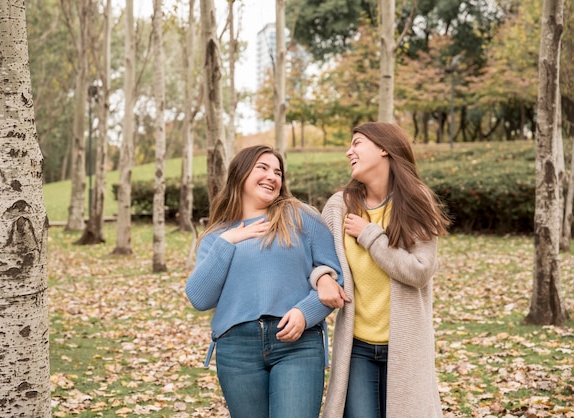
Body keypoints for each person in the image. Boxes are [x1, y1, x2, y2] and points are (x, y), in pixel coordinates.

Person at [185, 145, 343, 418]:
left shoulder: (300, 216)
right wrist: (229, 240)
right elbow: (200, 298)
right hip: (236, 349)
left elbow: (334, 276)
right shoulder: (216, 236)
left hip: (298, 344)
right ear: (240, 174)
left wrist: (306, 314)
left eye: (278, 172)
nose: (272, 176)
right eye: (263, 168)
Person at [316, 122, 450, 418]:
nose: (348, 151)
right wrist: (322, 277)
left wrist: (369, 235)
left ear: (384, 148)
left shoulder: (416, 202)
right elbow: (318, 260)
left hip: (406, 348)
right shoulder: (339, 207)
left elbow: (419, 271)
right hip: (357, 348)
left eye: (357, 143)